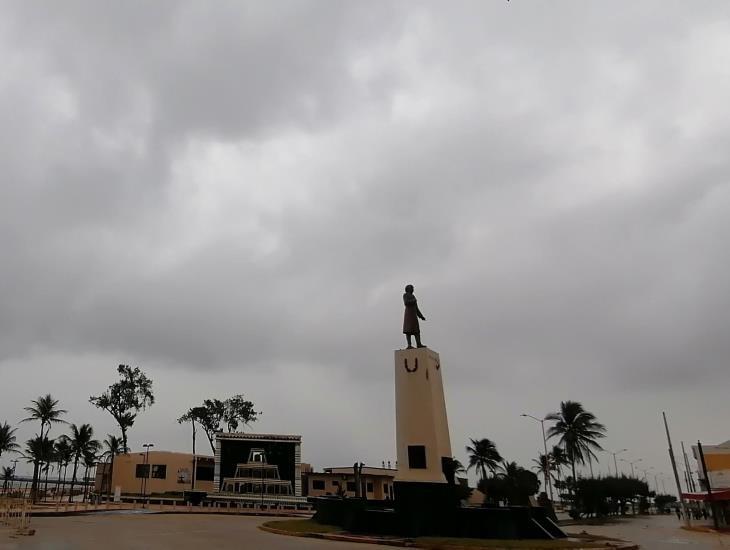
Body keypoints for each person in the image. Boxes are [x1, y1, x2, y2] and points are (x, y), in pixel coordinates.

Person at [403, 284, 426, 348]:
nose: (413, 289)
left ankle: (419, 344)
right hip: (408, 314)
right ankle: (409, 345)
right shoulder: (405, 295)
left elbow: (416, 308)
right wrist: (414, 300)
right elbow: (406, 302)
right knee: (408, 330)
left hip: (414, 315)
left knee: (416, 330)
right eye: (412, 288)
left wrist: (421, 316)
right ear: (408, 289)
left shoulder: (413, 296)